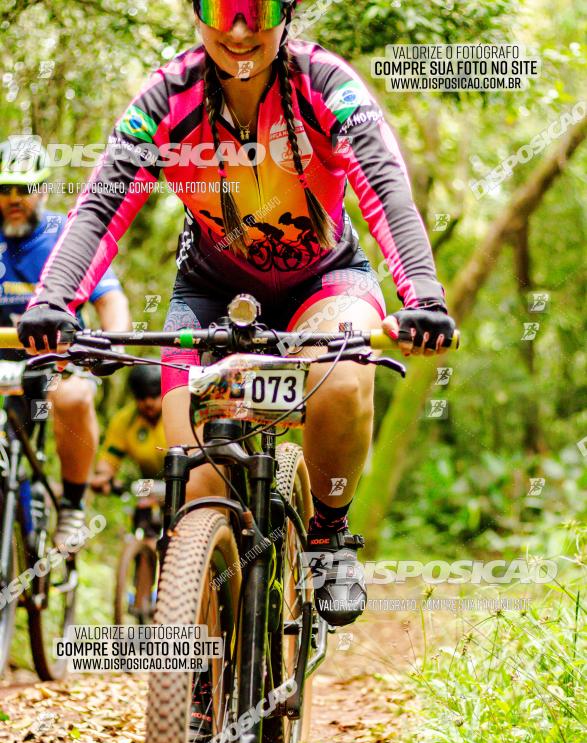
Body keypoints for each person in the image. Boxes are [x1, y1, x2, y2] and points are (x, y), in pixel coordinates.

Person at [17, 0, 457, 626]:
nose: (241, 28)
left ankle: (329, 536)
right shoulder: (164, 98)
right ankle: (199, 683)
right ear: (198, 14)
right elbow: (100, 207)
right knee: (197, 489)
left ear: (290, 11)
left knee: (347, 376)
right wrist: (53, 300)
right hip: (209, 292)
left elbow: (384, 188)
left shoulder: (327, 85)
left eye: (262, 7)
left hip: (325, 282)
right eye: (224, 7)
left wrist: (424, 298)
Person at [0, 136, 131, 548]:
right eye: (5, 190)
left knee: (74, 398)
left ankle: (72, 502)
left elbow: (109, 297)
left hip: (56, 364)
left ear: (42, 189)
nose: (14, 199)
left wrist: (113, 341)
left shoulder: (63, 235)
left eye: (24, 188)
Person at [90, 364, 165, 491]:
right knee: (142, 502)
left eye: (154, 395)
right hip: (150, 487)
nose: (149, 403)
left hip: (187, 483)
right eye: (142, 397)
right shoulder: (124, 421)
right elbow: (110, 457)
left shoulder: (180, 413)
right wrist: (103, 476)